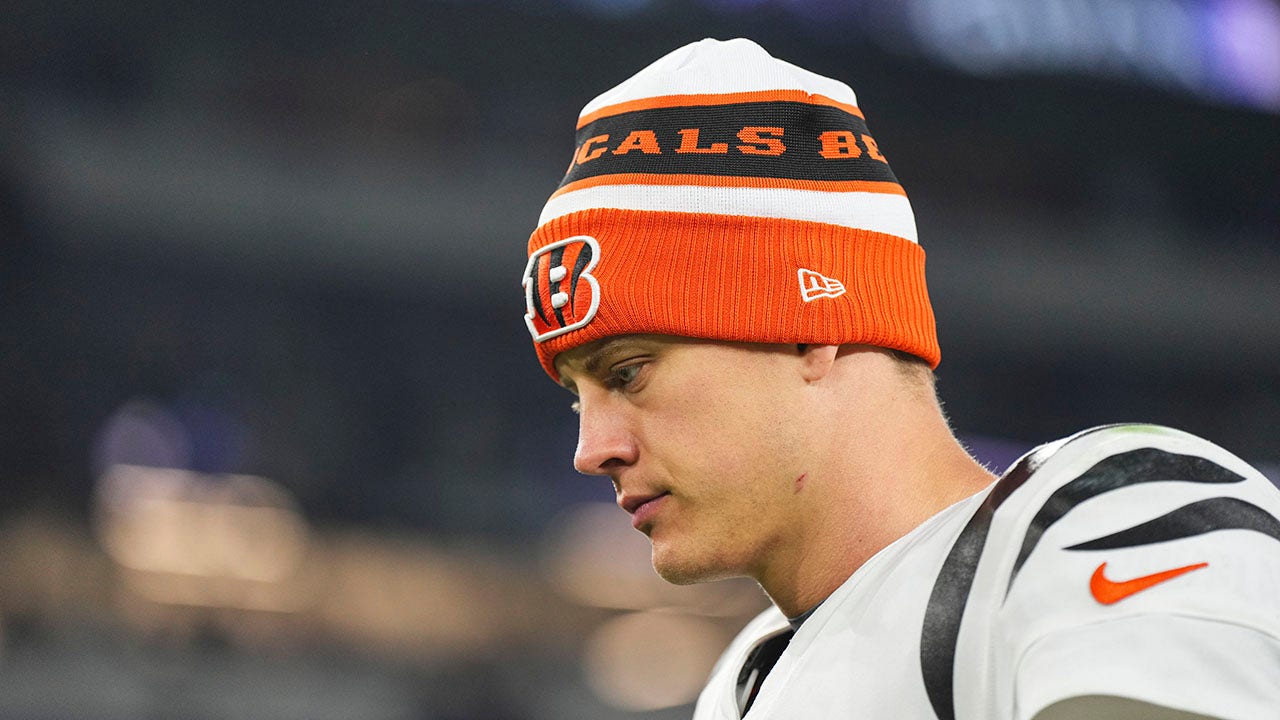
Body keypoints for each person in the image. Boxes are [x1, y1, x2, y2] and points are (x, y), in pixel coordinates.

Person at [519, 38, 1280, 719]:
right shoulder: (744, 681)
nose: (592, 450)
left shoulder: (1120, 517)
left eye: (628, 373)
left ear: (809, 325)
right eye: (578, 398)